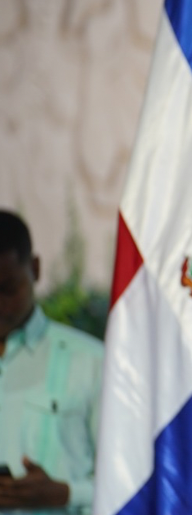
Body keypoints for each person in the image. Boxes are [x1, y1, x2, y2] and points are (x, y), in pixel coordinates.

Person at [0, 210, 103, 512]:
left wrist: (66, 494)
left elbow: (131, 483)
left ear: (35, 269)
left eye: (7, 289)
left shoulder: (92, 363)